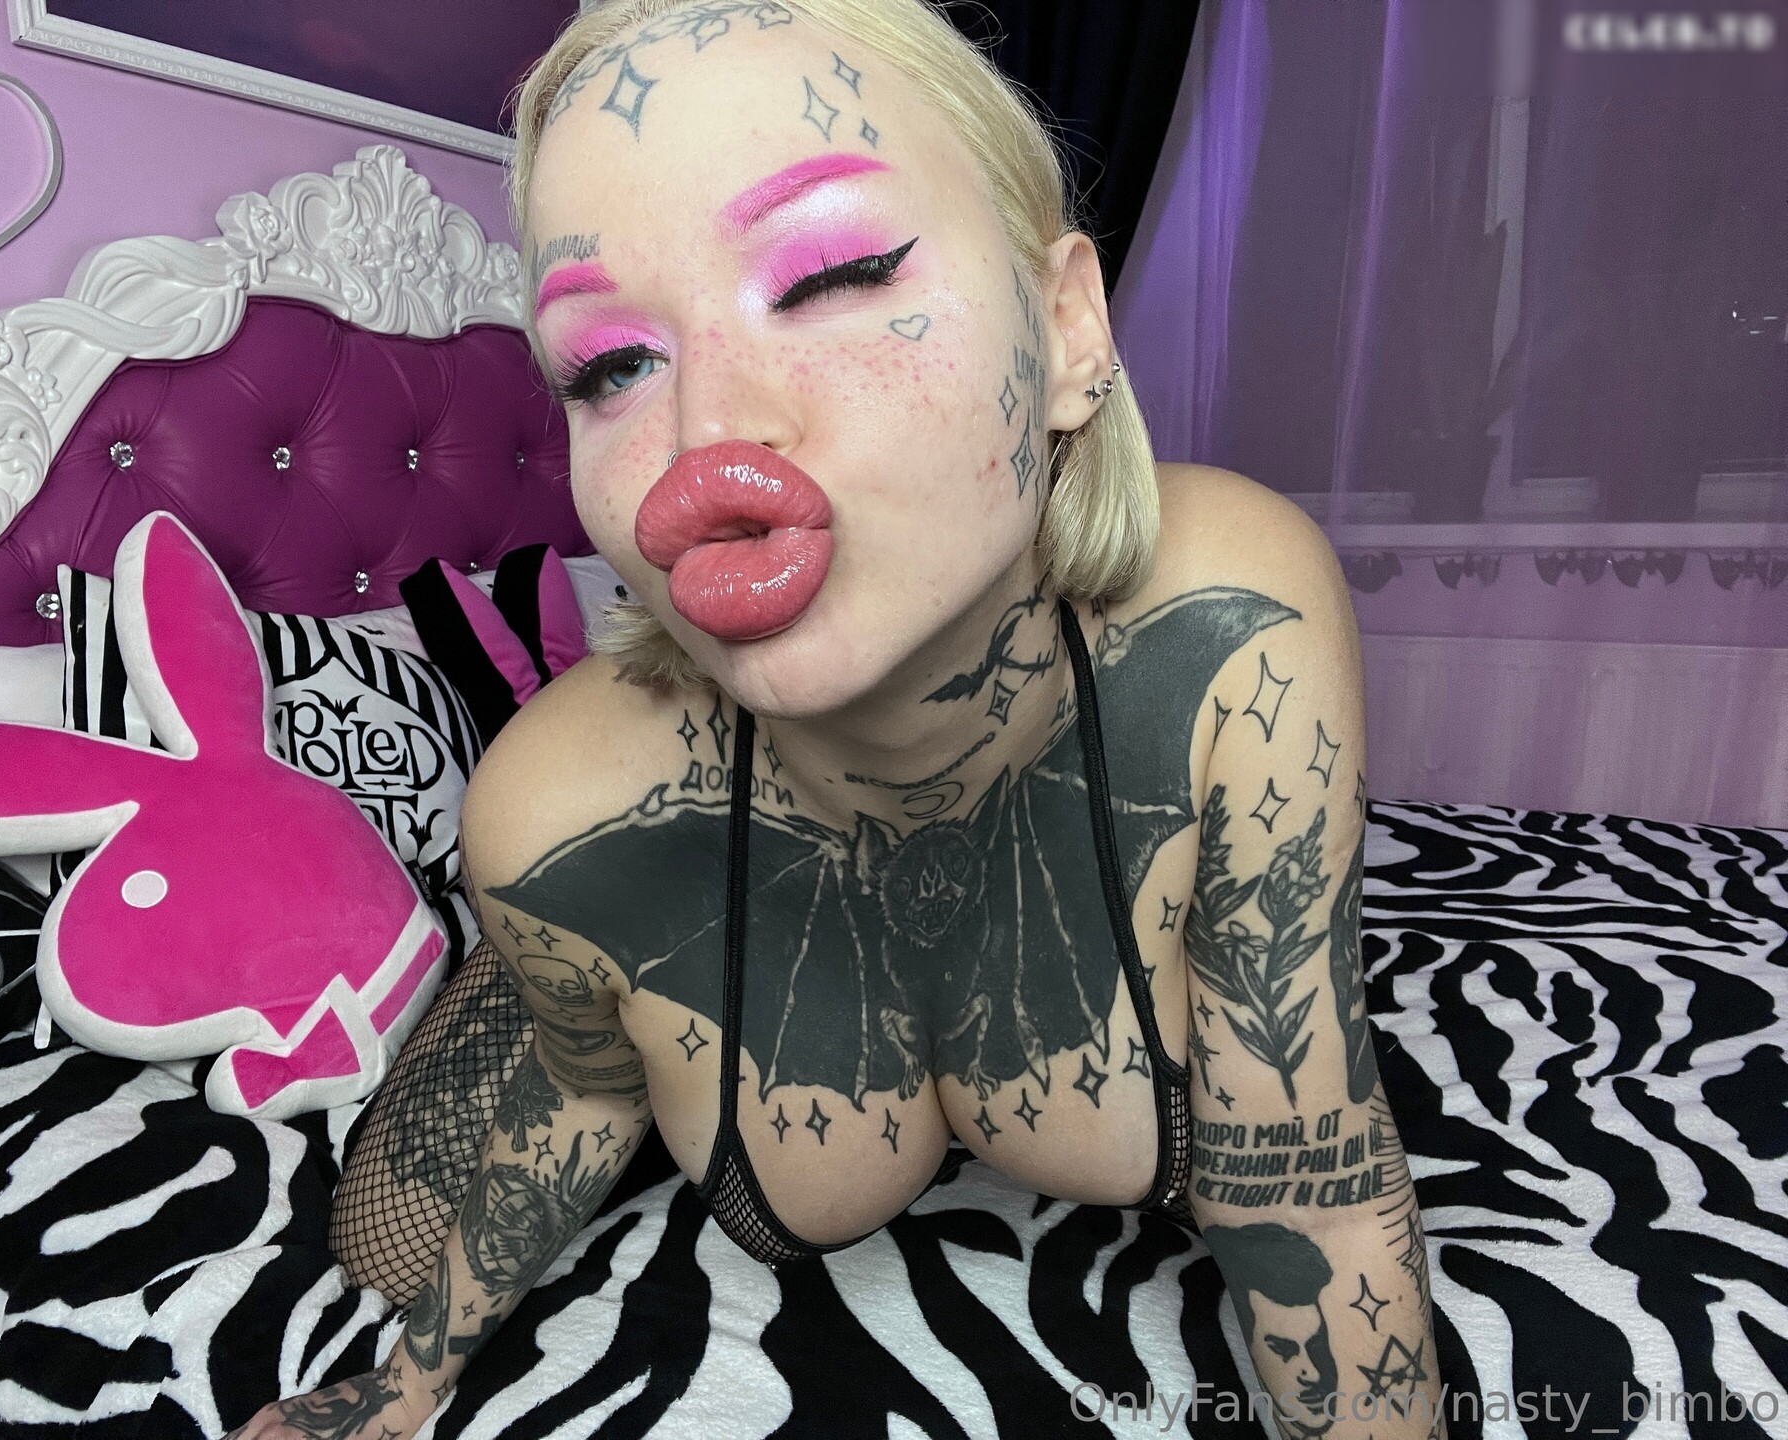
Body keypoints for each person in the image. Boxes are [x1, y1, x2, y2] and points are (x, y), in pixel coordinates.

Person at [226, 2, 1447, 1437]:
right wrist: (403, 1384)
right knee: (379, 1239)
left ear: (1067, 327)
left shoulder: (1233, 629)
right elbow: (561, 1130)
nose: (707, 436)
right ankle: (552, 985)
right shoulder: (551, 811)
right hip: (643, 833)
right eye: (611, 365)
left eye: (831, 273)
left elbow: (1311, 1185)